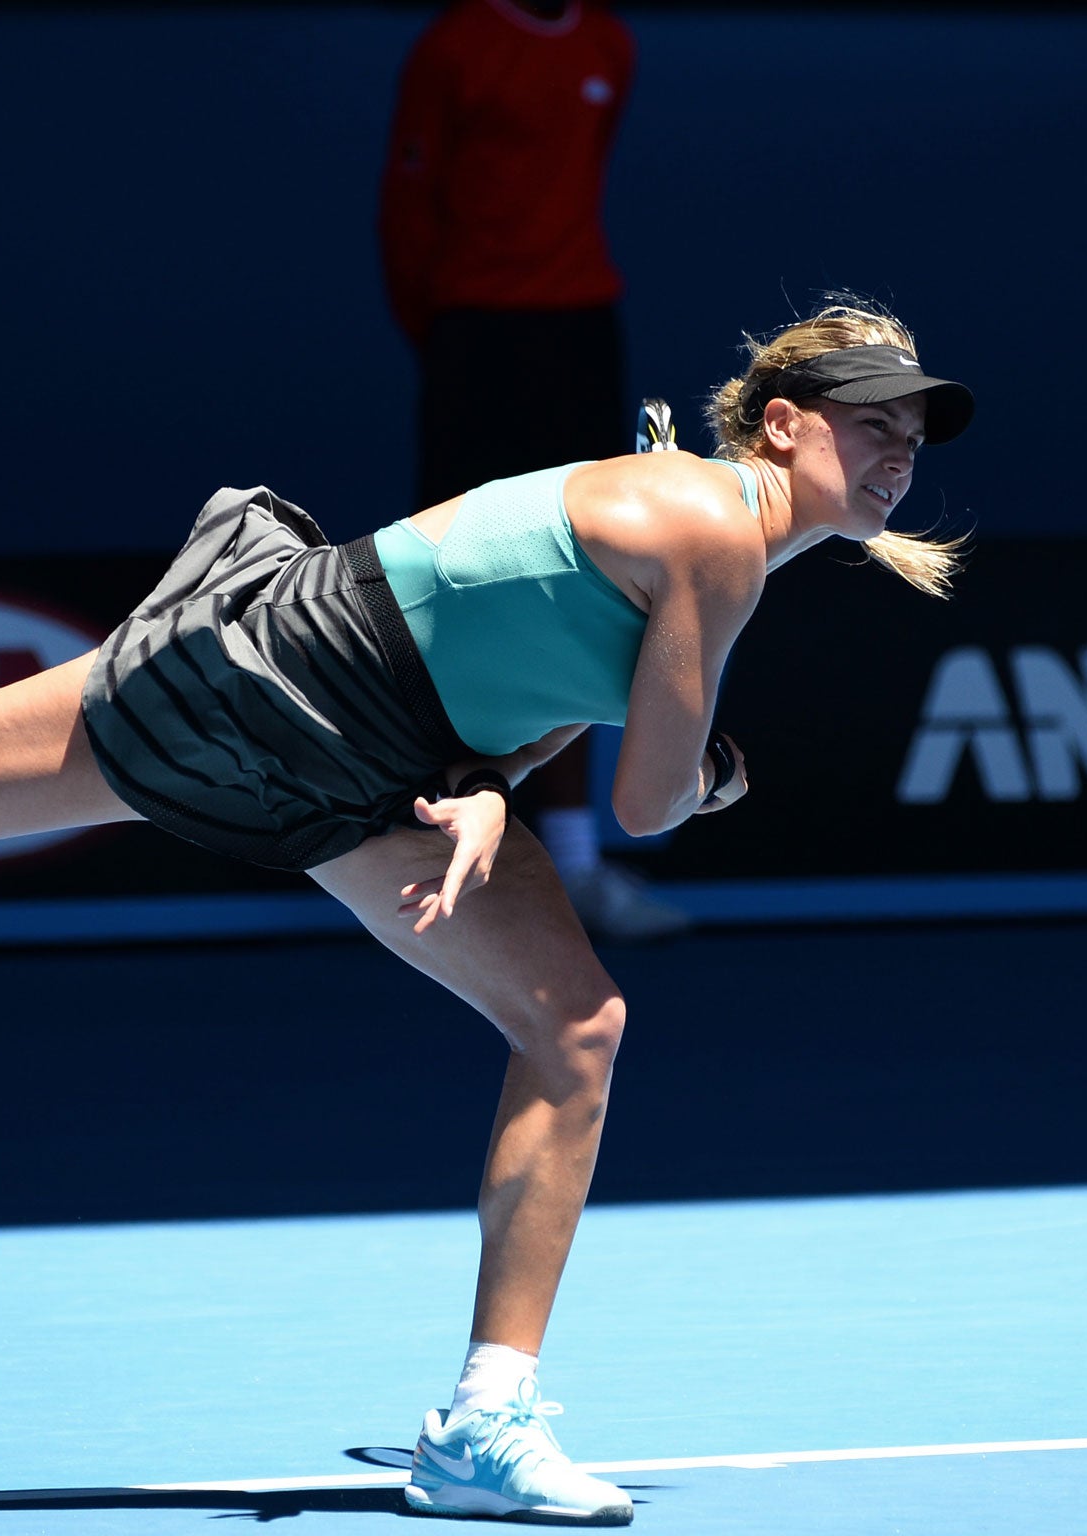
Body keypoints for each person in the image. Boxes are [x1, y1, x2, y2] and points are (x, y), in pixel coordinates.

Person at [0, 300, 973, 1524]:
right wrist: (714, 778)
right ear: (781, 420)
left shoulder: (730, 549)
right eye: (872, 422)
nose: (897, 456)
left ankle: (481, 1426)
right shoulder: (717, 537)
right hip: (282, 675)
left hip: (396, 754)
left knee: (576, 1021)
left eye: (912, 435)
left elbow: (525, 645)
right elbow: (650, 804)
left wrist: (487, 785)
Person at [379, 0, 687, 942]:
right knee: (452, 587)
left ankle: (574, 863)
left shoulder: (608, 44)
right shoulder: (457, 45)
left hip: (578, 339)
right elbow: (407, 210)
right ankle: (425, 851)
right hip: (476, 340)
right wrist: (455, 332)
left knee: (586, 595)